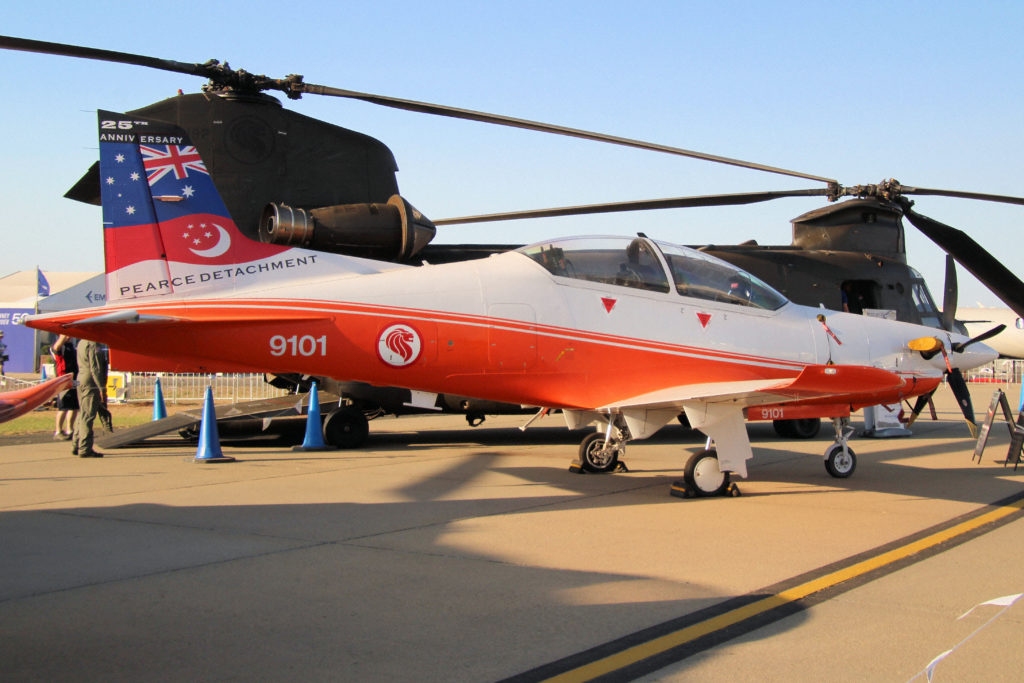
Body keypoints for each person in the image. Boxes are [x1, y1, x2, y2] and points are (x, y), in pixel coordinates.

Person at [73, 339, 107, 458]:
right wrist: (101, 388)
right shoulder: (93, 343)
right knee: (88, 415)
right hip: (90, 381)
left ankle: (76, 444)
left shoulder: (81, 342)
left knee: (82, 412)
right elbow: (95, 368)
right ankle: (85, 448)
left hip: (80, 378)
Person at [50, 335, 79, 440]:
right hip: (63, 381)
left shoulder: (72, 346)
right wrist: (63, 334)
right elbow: (56, 347)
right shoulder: (59, 347)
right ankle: (58, 431)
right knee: (63, 407)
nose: (69, 337)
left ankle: (70, 430)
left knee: (74, 406)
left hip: (74, 379)